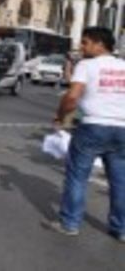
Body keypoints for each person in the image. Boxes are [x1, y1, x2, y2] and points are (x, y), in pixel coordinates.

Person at [44, 27, 125, 242]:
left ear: (100, 44)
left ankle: (69, 223)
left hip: (93, 127)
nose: (82, 46)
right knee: (120, 181)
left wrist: (60, 116)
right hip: (122, 129)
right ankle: (121, 228)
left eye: (86, 42)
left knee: (77, 177)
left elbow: (72, 98)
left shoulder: (86, 65)